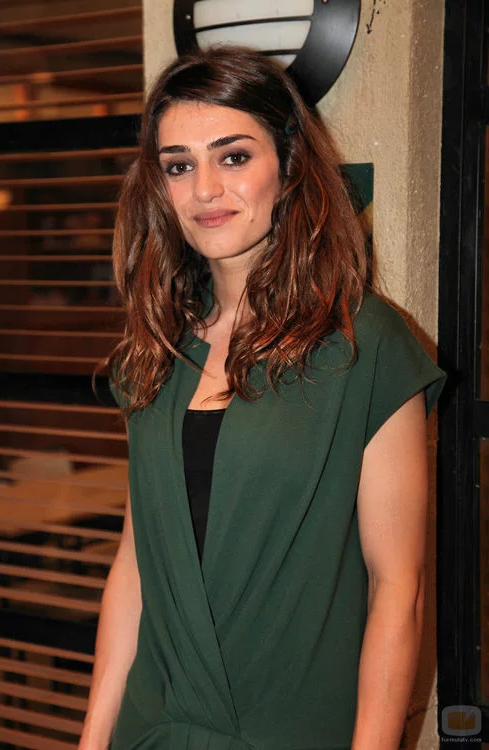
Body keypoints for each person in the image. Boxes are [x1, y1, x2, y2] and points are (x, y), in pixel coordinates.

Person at [79, 46, 447, 750]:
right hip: (153, 730)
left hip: (292, 728)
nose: (205, 190)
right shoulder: (155, 350)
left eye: (234, 157)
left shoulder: (363, 344)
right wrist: (93, 740)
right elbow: (136, 564)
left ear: (289, 165)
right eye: (179, 165)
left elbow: (397, 587)